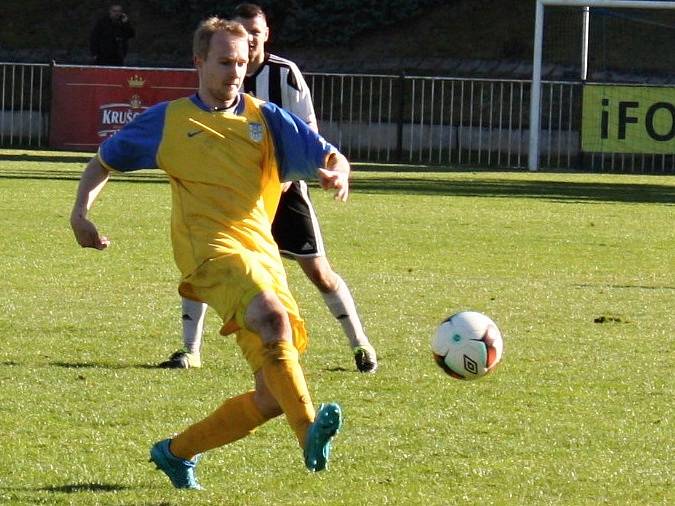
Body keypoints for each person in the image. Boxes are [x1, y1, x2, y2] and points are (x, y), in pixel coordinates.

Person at [71, 18, 346, 489]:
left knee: (272, 394)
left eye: (242, 63)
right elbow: (104, 161)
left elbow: (330, 155)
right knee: (275, 320)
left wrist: (337, 172)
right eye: (225, 62)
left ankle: (175, 452)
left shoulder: (266, 119)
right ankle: (307, 435)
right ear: (199, 62)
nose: (235, 72)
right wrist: (80, 214)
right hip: (210, 254)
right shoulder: (169, 120)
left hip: (261, 256)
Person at [160, 2, 378, 373]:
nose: (248, 43)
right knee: (205, 266)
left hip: (283, 191)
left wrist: (322, 171)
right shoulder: (220, 72)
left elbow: (309, 133)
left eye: (255, 34)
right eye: (242, 34)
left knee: (318, 271)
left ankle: (360, 345)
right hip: (228, 196)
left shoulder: (285, 74)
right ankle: (190, 350)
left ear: (264, 36)